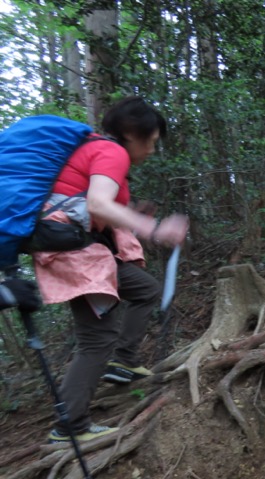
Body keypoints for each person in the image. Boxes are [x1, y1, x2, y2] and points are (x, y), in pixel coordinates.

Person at [32, 96, 189, 444]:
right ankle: (70, 426)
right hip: (75, 253)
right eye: (151, 141)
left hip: (80, 249)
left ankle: (124, 361)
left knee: (144, 289)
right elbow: (97, 203)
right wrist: (154, 229)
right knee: (95, 338)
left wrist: (135, 210)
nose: (151, 150)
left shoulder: (94, 152)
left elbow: (91, 204)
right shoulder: (111, 151)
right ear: (132, 133)